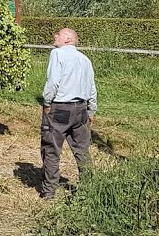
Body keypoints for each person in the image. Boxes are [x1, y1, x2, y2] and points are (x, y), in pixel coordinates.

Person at [39, 27, 97, 199]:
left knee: (51, 149)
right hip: (81, 109)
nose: (54, 36)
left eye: (58, 34)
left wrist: (47, 102)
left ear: (67, 39)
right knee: (82, 151)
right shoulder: (85, 59)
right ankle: (89, 188)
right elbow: (92, 88)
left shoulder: (57, 54)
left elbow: (53, 82)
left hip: (60, 108)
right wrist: (91, 110)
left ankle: (49, 192)